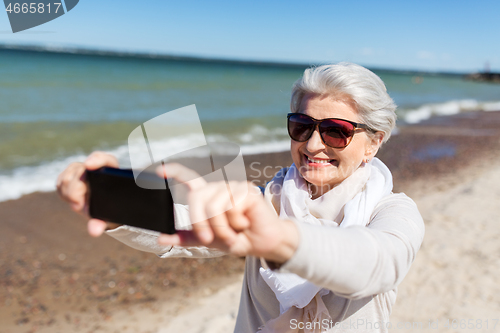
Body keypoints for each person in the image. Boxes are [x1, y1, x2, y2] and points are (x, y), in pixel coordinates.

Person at [57, 62, 424, 333]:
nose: (312, 145)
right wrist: (108, 203)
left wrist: (282, 240)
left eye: (336, 132)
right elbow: (182, 223)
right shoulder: (269, 201)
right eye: (301, 126)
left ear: (373, 142)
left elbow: (375, 264)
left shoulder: (393, 211)